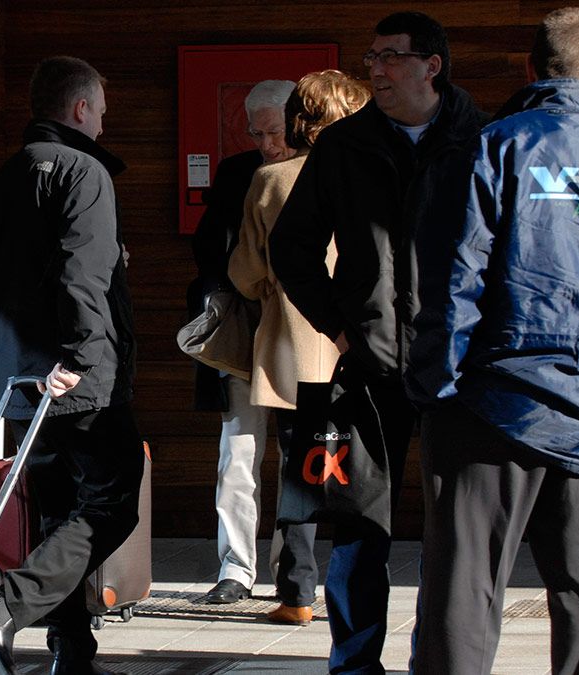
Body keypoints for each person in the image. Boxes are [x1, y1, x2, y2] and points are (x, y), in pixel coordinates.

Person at [269, 12, 483, 673]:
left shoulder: (480, 140)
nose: (378, 71)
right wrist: (338, 325)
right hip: (368, 360)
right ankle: (355, 663)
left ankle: (442, 658)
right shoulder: (345, 146)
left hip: (458, 367)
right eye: (372, 59)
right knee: (360, 524)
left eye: (391, 58)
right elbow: (290, 245)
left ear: (432, 65)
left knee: (460, 529)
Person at [406, 7, 579, 673]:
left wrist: (435, 387)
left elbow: (447, 278)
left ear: (530, 69)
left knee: (465, 594)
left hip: (489, 404)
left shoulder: (487, 144)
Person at [0, 55, 143, 675]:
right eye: (99, 111)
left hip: (19, 373)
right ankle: (10, 603)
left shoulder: (4, 178)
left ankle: (72, 651)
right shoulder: (85, 172)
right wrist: (82, 355)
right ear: (79, 109)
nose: (103, 123)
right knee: (112, 498)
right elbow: (84, 276)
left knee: (54, 509)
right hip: (80, 375)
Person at [229, 70, 371, 625]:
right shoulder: (366, 175)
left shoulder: (272, 180)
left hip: (294, 342)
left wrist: (271, 286)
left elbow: (244, 272)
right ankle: (359, 591)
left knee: (300, 469)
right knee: (358, 469)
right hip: (360, 344)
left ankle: (298, 594)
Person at [192, 79, 297, 606]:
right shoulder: (236, 172)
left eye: (273, 132)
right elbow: (210, 246)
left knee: (298, 453)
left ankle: (291, 566)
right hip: (245, 329)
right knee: (238, 450)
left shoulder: (318, 166)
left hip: (300, 330)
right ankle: (236, 567)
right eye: (256, 133)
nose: (265, 144)